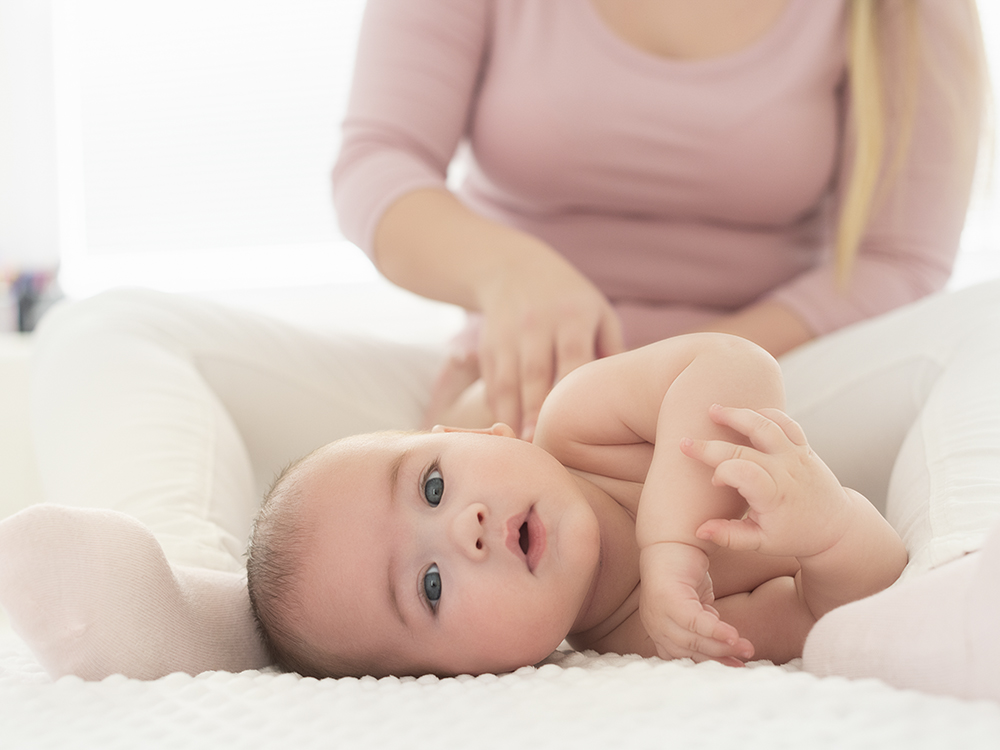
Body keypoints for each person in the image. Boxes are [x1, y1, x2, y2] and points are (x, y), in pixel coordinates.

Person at [334, 0, 988, 441]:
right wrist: (511, 273)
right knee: (226, 357)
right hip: (522, 385)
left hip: (781, 389)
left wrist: (682, 373)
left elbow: (900, 262)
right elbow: (378, 162)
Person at [245, 332, 907, 678]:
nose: (463, 529)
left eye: (433, 487)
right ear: (461, 676)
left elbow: (737, 364)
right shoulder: (661, 637)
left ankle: (468, 392)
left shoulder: (582, 426)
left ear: (478, 437)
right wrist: (832, 531)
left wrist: (669, 544)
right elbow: (844, 611)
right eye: (431, 586)